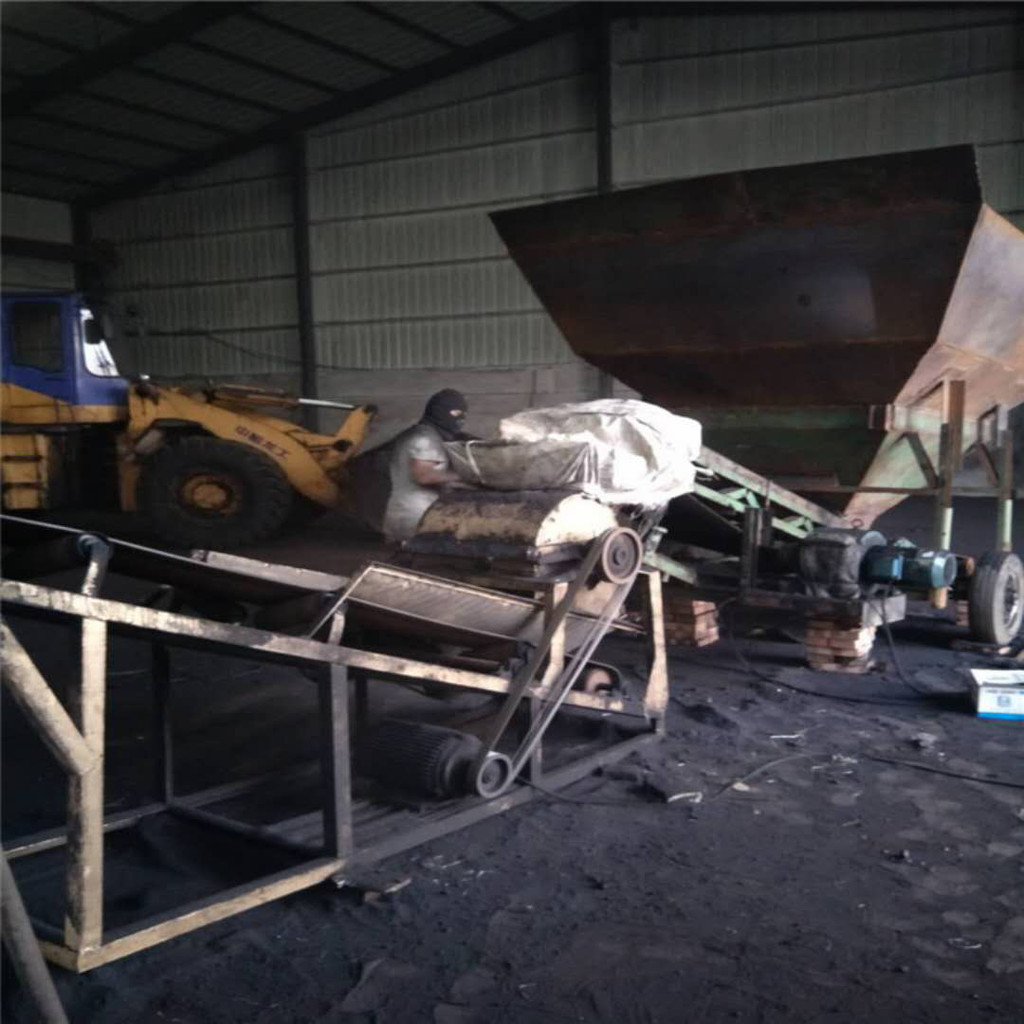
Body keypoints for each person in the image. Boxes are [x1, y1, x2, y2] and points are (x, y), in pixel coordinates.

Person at [353, 389, 472, 542]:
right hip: (405, 516)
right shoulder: (423, 438)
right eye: (455, 413)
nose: (461, 418)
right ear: (439, 412)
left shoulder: (431, 434)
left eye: (464, 414)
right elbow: (424, 475)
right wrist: (466, 476)